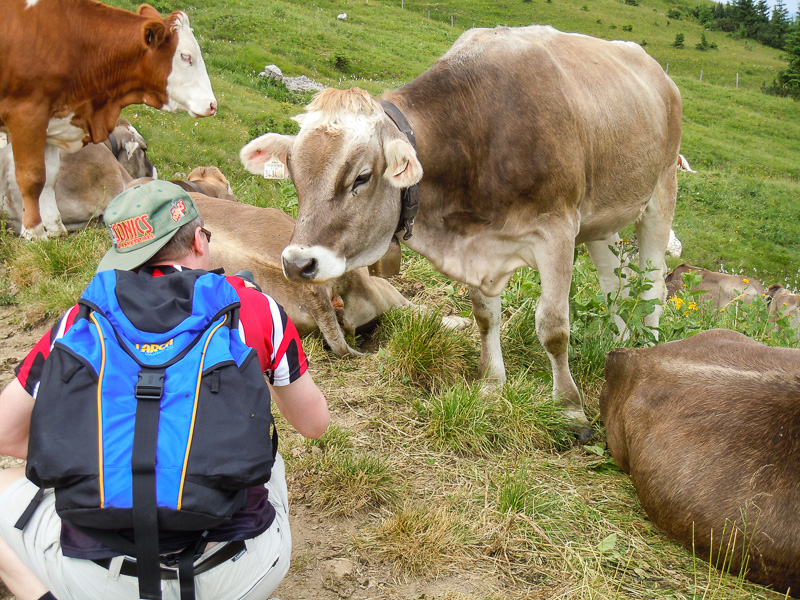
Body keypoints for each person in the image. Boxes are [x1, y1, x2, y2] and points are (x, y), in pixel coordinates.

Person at [0, 181, 330, 600]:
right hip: (239, 573)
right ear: (198, 240)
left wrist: (91, 451)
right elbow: (314, 424)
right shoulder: (252, 307)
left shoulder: (80, 320)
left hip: (100, 581)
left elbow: (6, 435)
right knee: (266, 450)